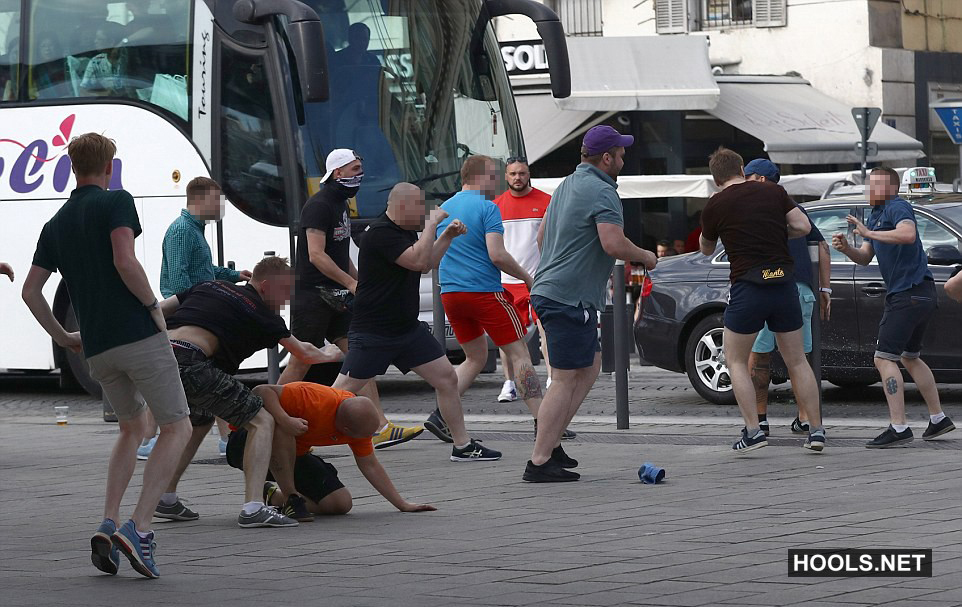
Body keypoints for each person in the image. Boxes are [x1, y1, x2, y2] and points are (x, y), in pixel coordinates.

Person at [22, 132, 192, 579]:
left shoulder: (54, 224)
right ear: (109, 167)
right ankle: (140, 527)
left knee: (132, 428)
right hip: (137, 335)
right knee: (177, 427)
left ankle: (109, 521)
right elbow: (125, 259)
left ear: (73, 169)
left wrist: (65, 336)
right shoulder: (117, 201)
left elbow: (30, 291)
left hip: (97, 349)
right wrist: (154, 308)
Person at [155, 256, 343, 526]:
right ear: (266, 286)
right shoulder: (263, 314)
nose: (286, 301)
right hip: (192, 363)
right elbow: (304, 353)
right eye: (284, 293)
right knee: (262, 420)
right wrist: (331, 353)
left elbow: (158, 311)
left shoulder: (211, 285)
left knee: (200, 419)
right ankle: (254, 506)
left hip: (161, 359)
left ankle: (166, 497)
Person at [332, 182, 502, 462]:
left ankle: (462, 445)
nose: (425, 211)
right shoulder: (379, 234)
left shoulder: (405, 231)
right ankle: (301, 436)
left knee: (447, 379)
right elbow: (417, 261)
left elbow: (428, 262)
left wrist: (445, 235)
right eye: (420, 206)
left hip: (406, 329)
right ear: (401, 206)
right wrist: (433, 225)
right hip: (374, 331)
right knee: (341, 391)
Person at [525, 125, 657, 482]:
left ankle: (551, 443)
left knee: (591, 366)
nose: (624, 159)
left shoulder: (566, 184)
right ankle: (539, 461)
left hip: (556, 291)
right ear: (606, 158)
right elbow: (613, 243)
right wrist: (645, 255)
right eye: (621, 154)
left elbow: (541, 236)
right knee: (565, 378)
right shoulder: (602, 190)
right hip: (567, 297)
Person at [281, 149, 421, 450]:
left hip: (338, 296)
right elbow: (316, 255)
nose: (360, 174)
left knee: (361, 357)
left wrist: (361, 283)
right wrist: (351, 283)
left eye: (361, 167)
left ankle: (380, 426)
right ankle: (268, 413)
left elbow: (341, 253)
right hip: (313, 295)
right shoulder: (318, 205)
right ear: (338, 172)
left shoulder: (342, 203)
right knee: (301, 359)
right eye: (354, 169)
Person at [426, 155, 560, 451]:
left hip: (450, 293)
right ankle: (543, 422)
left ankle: (440, 415)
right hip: (485, 293)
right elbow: (497, 254)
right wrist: (527, 277)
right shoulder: (489, 207)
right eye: (495, 175)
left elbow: (431, 256)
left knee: (474, 357)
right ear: (482, 175)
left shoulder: (443, 209)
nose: (499, 181)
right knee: (520, 353)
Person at [699, 147, 825, 453]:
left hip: (748, 287)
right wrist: (776, 232)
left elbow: (705, 248)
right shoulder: (773, 192)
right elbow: (803, 227)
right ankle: (817, 431)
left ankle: (754, 432)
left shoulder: (715, 205)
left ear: (716, 179)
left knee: (736, 361)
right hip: (783, 284)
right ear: (742, 169)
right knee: (797, 360)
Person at [832, 167, 955, 447]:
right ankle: (939, 419)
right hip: (921, 294)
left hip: (908, 294)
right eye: (868, 184)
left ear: (890, 187)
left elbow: (908, 234)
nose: (868, 189)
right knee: (910, 357)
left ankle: (899, 427)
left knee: (884, 358)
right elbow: (864, 258)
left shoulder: (897, 206)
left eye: (874, 184)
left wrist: (868, 233)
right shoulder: (876, 215)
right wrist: (846, 249)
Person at [141, 176, 254, 459]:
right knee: (173, 379)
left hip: (192, 310)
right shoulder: (182, 231)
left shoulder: (193, 229)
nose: (221, 207)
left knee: (199, 374)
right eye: (217, 201)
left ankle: (225, 438)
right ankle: (147, 440)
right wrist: (202, 304)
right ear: (200, 201)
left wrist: (232, 276)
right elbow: (180, 281)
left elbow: (201, 270)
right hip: (186, 314)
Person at [232, 382, 436, 516]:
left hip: (293, 455)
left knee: (340, 504)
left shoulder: (359, 421)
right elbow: (261, 390)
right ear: (345, 429)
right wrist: (285, 419)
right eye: (361, 436)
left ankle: (273, 495)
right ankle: (292, 499)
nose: (365, 438)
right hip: (248, 445)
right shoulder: (313, 399)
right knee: (282, 428)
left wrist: (402, 504)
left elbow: (370, 465)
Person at [742, 159, 832, 437]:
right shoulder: (796, 209)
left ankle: (759, 420)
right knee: (799, 359)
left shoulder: (753, 209)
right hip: (800, 290)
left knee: (758, 357)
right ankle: (807, 420)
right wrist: (825, 290)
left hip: (764, 286)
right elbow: (822, 246)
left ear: (757, 179)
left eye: (747, 178)